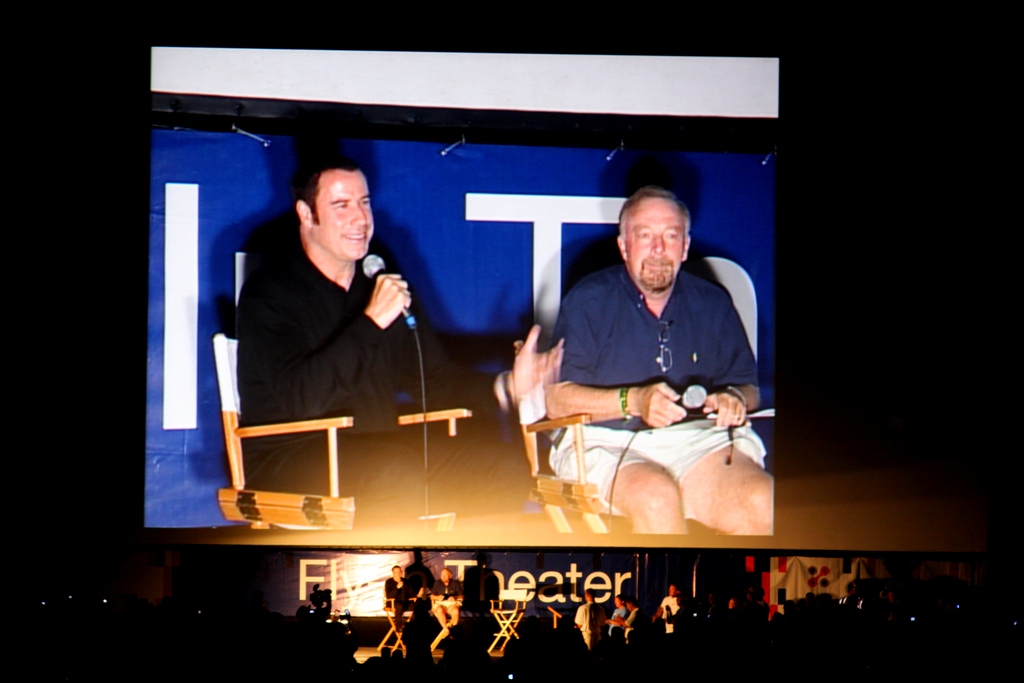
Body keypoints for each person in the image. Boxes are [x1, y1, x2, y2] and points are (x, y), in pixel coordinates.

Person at [236, 155, 560, 513]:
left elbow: (433, 380)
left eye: (365, 202)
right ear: (306, 213)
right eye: (341, 205)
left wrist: (506, 387)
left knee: (500, 467)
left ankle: (468, 569)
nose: (360, 219)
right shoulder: (269, 292)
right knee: (393, 473)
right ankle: (391, 572)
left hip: (379, 450)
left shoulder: (377, 280)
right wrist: (371, 321)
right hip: (291, 456)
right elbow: (300, 399)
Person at [545, 186, 773, 534]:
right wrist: (633, 400)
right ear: (624, 246)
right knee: (655, 496)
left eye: (670, 235)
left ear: (684, 247)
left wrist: (735, 398)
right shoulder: (589, 299)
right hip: (604, 440)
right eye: (644, 235)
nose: (657, 249)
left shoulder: (712, 302)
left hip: (696, 440)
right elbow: (556, 400)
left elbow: (749, 387)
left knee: (763, 500)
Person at [430, 568, 464, 636]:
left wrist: (454, 597)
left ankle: (454, 630)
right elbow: (431, 596)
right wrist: (437, 597)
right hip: (441, 604)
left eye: (445, 575)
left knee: (456, 610)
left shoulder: (455, 583)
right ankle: (446, 629)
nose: (443, 576)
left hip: (452, 604)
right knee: (439, 610)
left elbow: (462, 596)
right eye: (442, 575)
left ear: (450, 576)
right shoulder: (437, 583)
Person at [384, 565, 418, 631]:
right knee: (399, 605)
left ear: (401, 573)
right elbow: (389, 596)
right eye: (396, 572)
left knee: (418, 606)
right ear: (393, 573)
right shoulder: (388, 582)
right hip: (393, 603)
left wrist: (417, 595)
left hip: (405, 602)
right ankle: (398, 627)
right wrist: (397, 587)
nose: (398, 574)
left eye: (399, 572)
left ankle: (410, 624)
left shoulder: (406, 581)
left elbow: (411, 593)